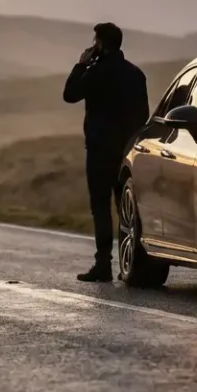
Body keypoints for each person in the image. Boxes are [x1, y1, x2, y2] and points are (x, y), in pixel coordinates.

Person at [62, 22, 149, 282]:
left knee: (101, 208)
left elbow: (69, 94)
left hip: (100, 151)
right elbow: (143, 114)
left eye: (95, 41)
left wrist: (80, 65)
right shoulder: (136, 74)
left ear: (100, 44)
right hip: (126, 152)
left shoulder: (95, 72)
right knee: (128, 207)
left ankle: (103, 265)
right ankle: (134, 264)